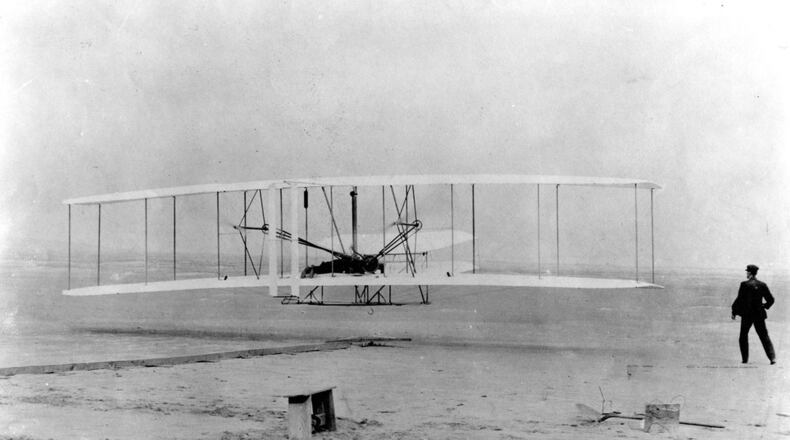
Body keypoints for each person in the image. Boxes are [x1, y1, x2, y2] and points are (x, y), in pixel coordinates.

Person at [731, 264, 776, 364]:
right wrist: (764, 306)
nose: (746, 273)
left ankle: (745, 359)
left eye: (747, 272)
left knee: (743, 336)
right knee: (764, 336)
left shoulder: (744, 284)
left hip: (747, 315)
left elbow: (739, 299)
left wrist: (734, 311)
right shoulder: (762, 285)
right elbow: (771, 299)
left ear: (750, 273)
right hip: (759, 314)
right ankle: (772, 358)